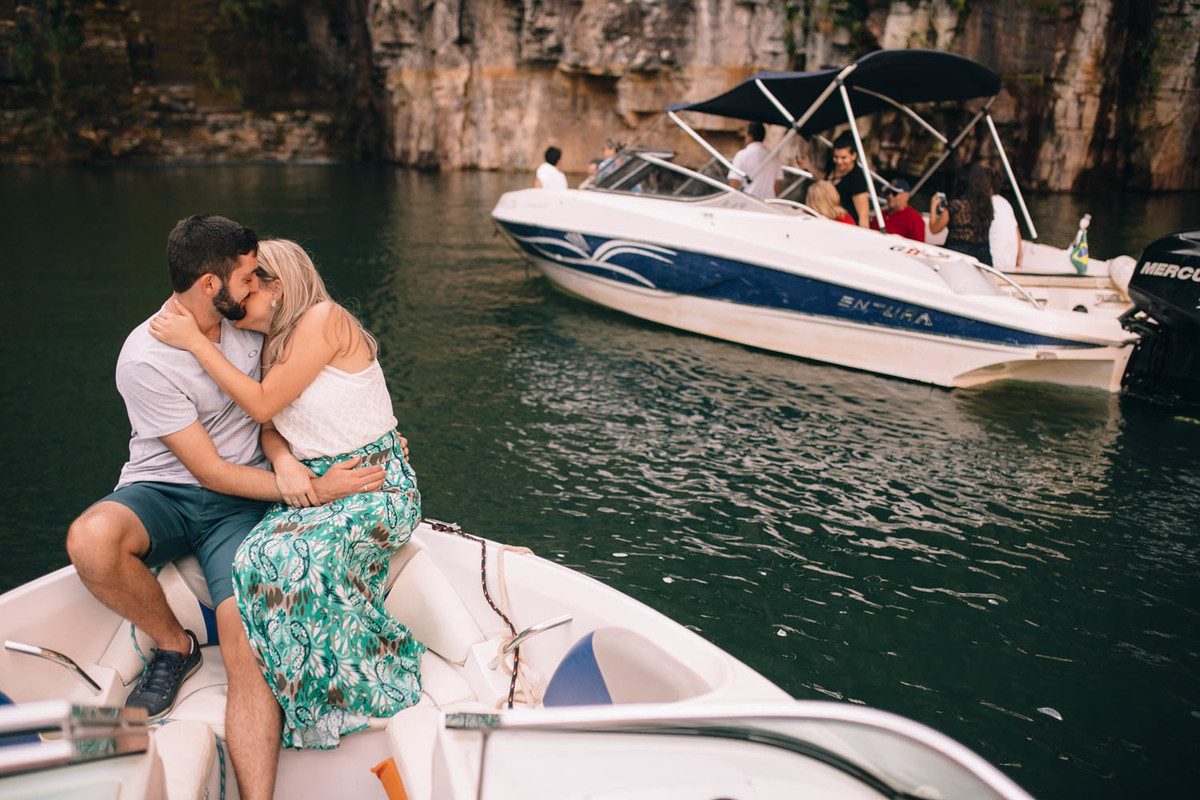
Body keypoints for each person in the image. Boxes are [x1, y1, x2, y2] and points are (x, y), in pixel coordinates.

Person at [65, 215, 384, 800]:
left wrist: (349, 447)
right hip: (164, 488)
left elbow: (301, 403)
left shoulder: (259, 322)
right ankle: (173, 644)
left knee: (244, 642)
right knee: (89, 539)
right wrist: (312, 489)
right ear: (211, 284)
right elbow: (207, 471)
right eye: (248, 273)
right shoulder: (146, 356)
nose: (260, 281)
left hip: (241, 504)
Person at [149, 239, 424, 751]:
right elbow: (272, 428)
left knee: (300, 554)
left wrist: (195, 341)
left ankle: (357, 682)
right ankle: (296, 685)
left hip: (373, 482)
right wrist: (282, 462)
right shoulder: (273, 347)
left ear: (277, 287)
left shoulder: (324, 319)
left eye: (250, 286)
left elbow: (259, 405)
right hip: (311, 484)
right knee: (254, 557)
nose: (235, 305)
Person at [929, 163, 995, 265]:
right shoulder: (987, 207)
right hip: (982, 259)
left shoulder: (955, 206)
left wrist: (933, 206)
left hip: (957, 257)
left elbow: (934, 229)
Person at [825, 131, 870, 228]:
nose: (839, 161)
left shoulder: (857, 178)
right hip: (828, 219)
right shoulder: (832, 165)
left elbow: (863, 216)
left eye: (843, 158)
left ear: (853, 155)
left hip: (847, 225)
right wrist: (809, 166)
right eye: (836, 157)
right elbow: (824, 180)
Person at [728, 121, 783, 200]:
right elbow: (777, 188)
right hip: (769, 204)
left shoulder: (742, 155)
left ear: (750, 136)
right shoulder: (774, 158)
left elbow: (734, 184)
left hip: (748, 203)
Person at [989, 181, 1023, 268]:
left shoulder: (984, 203)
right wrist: (1019, 261)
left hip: (993, 265)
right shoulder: (1004, 202)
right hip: (1010, 264)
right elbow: (1017, 232)